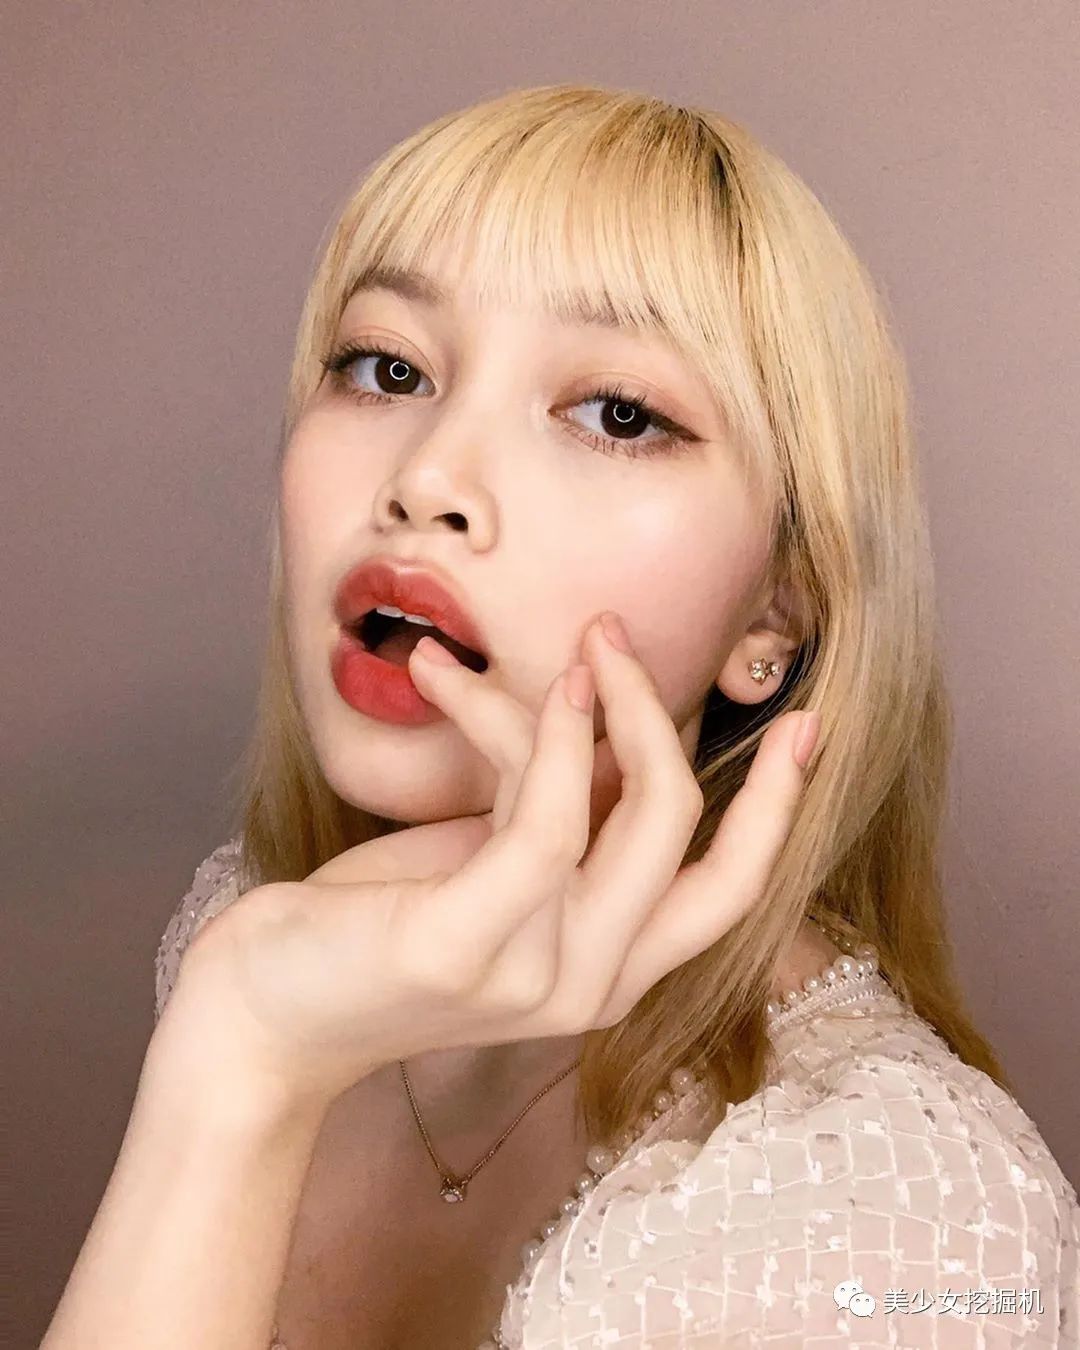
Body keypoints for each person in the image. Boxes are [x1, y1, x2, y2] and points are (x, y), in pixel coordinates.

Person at [42, 83, 1078, 1350]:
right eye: (389, 368)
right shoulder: (265, 935)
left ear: (776, 614)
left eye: (618, 414)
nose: (426, 479)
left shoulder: (909, 1219)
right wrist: (243, 1045)